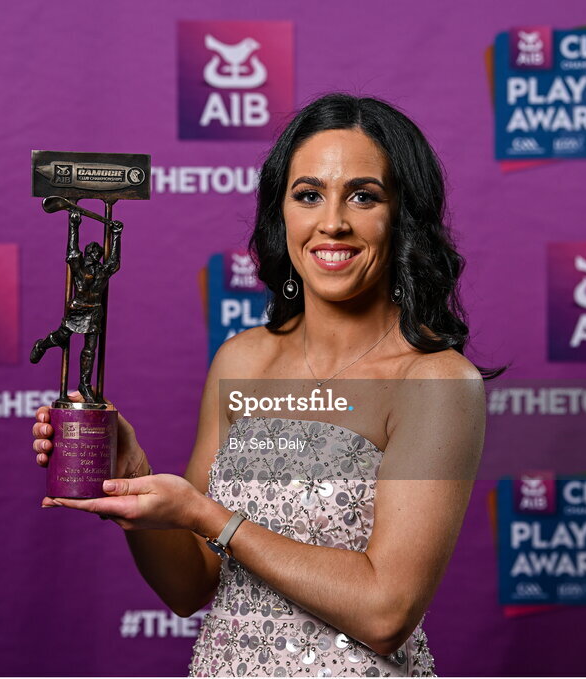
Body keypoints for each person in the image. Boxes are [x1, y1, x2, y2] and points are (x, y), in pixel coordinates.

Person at [32, 93, 496, 676]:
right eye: (308, 195)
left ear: (403, 216)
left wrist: (209, 517)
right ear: (282, 215)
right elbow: (189, 587)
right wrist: (132, 479)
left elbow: (387, 612)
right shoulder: (242, 361)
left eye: (363, 195)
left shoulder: (435, 381)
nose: (333, 221)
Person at [29, 212, 123, 403]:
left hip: (95, 311)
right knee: (61, 337)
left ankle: (84, 384)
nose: (96, 254)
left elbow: (114, 262)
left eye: (98, 253)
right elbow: (72, 250)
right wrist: (74, 226)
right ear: (88, 253)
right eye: (92, 252)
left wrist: (117, 236)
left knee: (90, 349)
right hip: (78, 309)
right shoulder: (79, 268)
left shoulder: (102, 271)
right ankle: (43, 344)